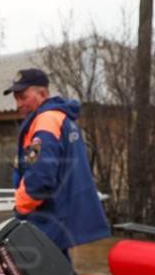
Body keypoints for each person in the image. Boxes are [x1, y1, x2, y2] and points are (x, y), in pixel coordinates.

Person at [6, 67, 110, 257]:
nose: (18, 104)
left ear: (43, 93)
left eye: (23, 96)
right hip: (62, 214)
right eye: (16, 98)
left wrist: (20, 207)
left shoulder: (45, 123)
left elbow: (41, 176)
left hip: (48, 217)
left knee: (30, 271)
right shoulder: (63, 119)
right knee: (58, 270)